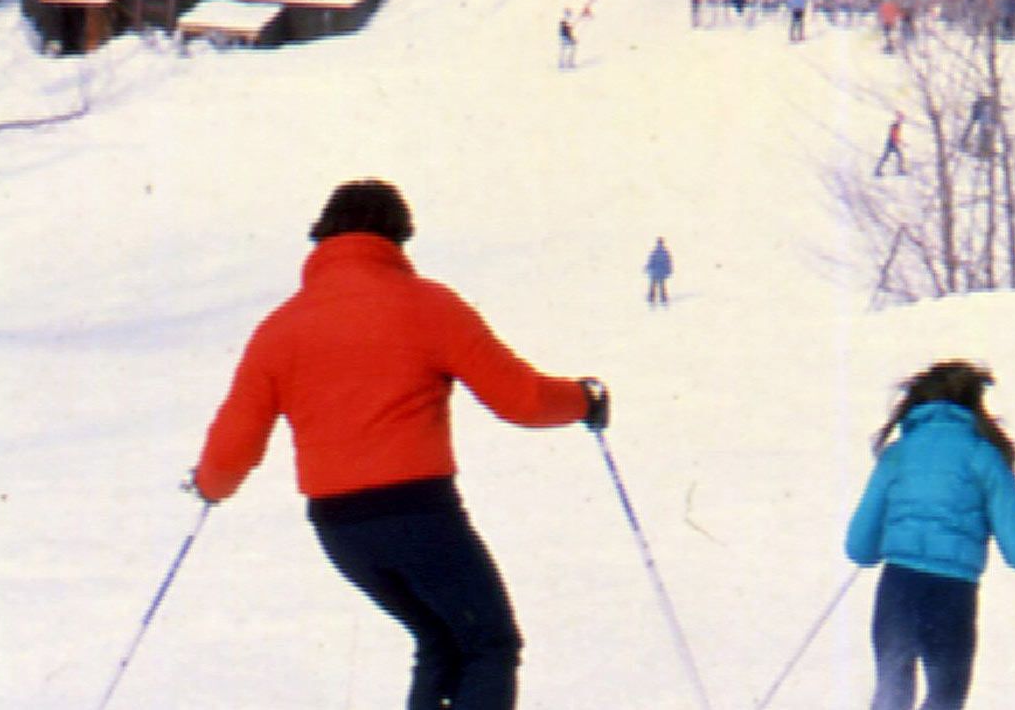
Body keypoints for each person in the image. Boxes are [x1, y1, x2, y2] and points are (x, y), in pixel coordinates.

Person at [191, 180, 608, 710]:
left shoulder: (279, 328)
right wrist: (583, 401)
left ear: (322, 239)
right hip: (419, 514)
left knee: (439, 641)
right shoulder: (425, 304)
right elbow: (521, 400)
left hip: (340, 530)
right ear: (397, 239)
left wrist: (209, 485)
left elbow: (235, 444)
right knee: (488, 644)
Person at [844, 360, 1015, 710]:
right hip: (952, 596)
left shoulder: (898, 454)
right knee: (944, 700)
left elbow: (859, 548)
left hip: (897, 590)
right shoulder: (985, 458)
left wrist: (896, 543)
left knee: (891, 697)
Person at [875, 111, 908, 177]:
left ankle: (901, 170)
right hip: (891, 144)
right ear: (898, 118)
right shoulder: (894, 125)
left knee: (900, 157)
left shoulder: (898, 126)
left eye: (902, 119)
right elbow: (893, 135)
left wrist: (902, 142)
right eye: (901, 118)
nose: (902, 120)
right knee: (886, 157)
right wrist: (898, 141)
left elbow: (897, 136)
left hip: (893, 143)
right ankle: (878, 171)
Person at [645, 237, 673, 307]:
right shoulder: (665, 252)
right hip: (662, 272)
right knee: (662, 286)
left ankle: (651, 298)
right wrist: (669, 271)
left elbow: (651, 261)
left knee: (653, 285)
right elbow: (668, 263)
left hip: (655, 272)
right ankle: (663, 298)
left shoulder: (655, 252)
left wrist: (647, 268)